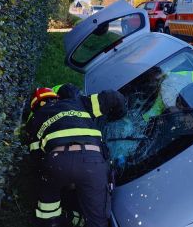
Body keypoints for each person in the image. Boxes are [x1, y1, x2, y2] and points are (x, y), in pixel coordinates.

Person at [26, 83, 126, 227]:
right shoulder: (77, 102)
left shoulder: (35, 119)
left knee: (48, 210)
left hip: (56, 162)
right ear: (56, 98)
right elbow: (113, 97)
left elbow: (36, 158)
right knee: (97, 221)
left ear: (34, 107)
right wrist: (119, 114)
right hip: (92, 163)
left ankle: (54, 221)